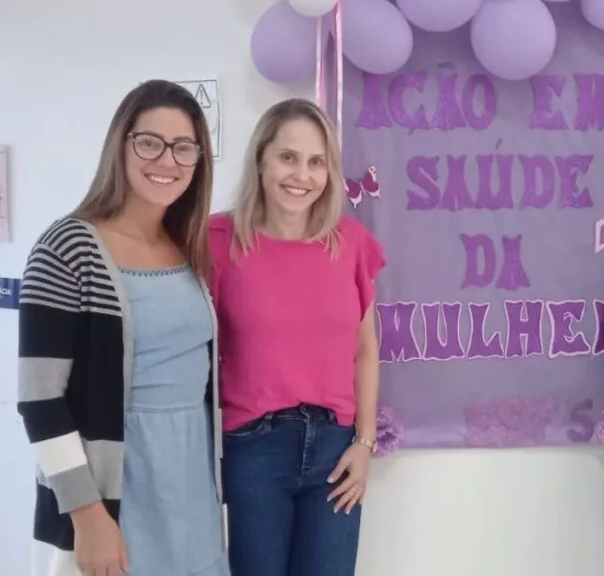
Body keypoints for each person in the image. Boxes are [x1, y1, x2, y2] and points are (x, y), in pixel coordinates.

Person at [17, 80, 226, 576]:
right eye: (149, 142)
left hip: (192, 492)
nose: (167, 161)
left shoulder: (188, 249)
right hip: (114, 493)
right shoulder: (67, 247)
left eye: (184, 147)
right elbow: (40, 399)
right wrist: (89, 518)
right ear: (121, 144)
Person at [209, 98, 385, 576]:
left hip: (335, 448)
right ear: (262, 158)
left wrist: (365, 445)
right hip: (252, 450)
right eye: (288, 157)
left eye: (316, 162)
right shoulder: (217, 241)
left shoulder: (350, 243)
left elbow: (366, 350)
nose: (301, 174)